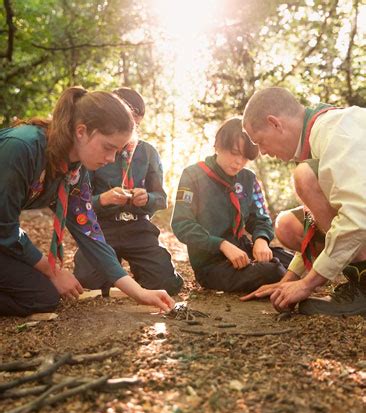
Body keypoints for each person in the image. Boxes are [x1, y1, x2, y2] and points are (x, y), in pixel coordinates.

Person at [0, 86, 175, 317]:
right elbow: (4, 227)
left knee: (43, 297)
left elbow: (90, 234)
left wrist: (139, 292)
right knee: (44, 289)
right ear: (82, 131)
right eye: (108, 148)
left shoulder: (75, 171)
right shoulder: (22, 148)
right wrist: (51, 270)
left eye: (118, 151)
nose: (111, 158)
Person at [241, 86, 366, 315]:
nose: (263, 152)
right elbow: (320, 220)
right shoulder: (318, 133)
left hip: (361, 216)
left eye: (260, 141)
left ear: (275, 123)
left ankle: (363, 284)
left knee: (305, 176)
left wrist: (308, 284)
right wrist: (290, 279)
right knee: (287, 224)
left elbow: (358, 217)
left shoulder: (337, 132)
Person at [73, 87, 183, 296]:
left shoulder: (148, 152)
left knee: (166, 284)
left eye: (136, 125)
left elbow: (161, 199)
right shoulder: (93, 149)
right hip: (102, 228)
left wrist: (146, 198)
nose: (129, 132)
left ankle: (140, 271)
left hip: (138, 228)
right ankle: (113, 272)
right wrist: (103, 199)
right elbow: (78, 202)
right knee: (88, 283)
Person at [171, 117, 291, 293]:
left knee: (297, 263)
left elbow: (260, 217)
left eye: (245, 157)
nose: (239, 162)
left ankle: (282, 281)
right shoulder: (193, 175)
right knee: (272, 271)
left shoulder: (248, 179)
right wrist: (221, 244)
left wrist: (261, 240)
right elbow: (182, 224)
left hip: (244, 253)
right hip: (212, 264)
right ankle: (281, 283)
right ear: (218, 146)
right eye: (235, 153)